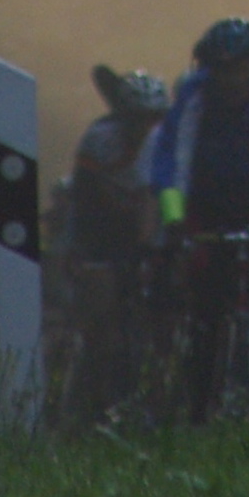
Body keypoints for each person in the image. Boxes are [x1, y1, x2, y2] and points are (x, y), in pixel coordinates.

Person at [150, 19, 249, 417]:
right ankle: (199, 399)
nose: (232, 79)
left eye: (240, 67)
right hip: (209, 201)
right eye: (221, 69)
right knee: (207, 296)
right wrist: (175, 219)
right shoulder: (195, 94)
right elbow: (173, 162)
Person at [59, 65, 170, 419]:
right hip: (102, 233)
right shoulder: (100, 140)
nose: (147, 127)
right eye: (138, 118)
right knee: (103, 323)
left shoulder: (170, 139)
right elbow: (84, 200)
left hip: (148, 231)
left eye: (155, 118)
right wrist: (78, 251)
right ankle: (91, 396)